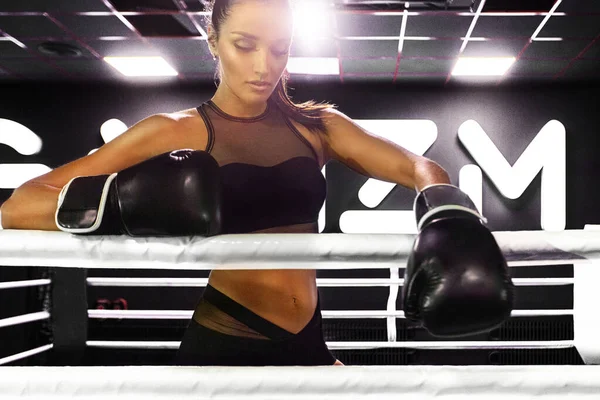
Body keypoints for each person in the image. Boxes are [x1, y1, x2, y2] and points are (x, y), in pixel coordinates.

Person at [0, 0, 513, 366]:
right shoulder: (174, 131)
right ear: (213, 41)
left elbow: (421, 168)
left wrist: (447, 213)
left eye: (280, 49)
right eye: (245, 45)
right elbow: (19, 207)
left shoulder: (319, 129)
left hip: (310, 338)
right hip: (227, 338)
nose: (264, 66)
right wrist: (121, 206)